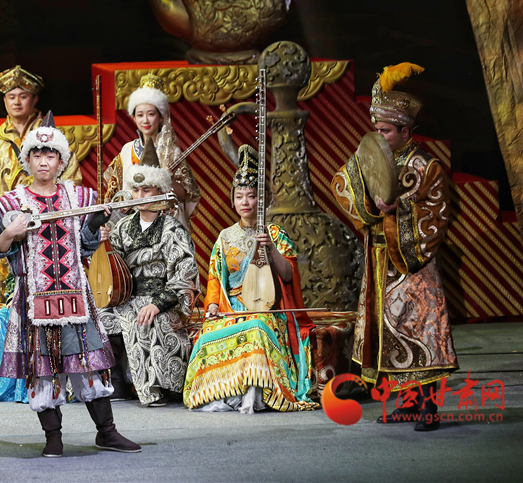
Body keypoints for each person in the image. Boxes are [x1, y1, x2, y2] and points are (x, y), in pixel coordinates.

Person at [0, 112, 140, 457]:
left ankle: (107, 432)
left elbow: (85, 247)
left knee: (89, 362)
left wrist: (94, 225)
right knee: (43, 367)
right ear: (27, 160)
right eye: (37, 154)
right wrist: (10, 233)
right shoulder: (10, 203)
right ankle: (52, 437)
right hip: (33, 300)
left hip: (76, 297)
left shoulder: (81, 198)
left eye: (51, 155)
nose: (44, 161)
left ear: (62, 161)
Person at [332, 62, 458, 431]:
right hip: (378, 259)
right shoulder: (370, 157)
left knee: (420, 331)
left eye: (386, 130)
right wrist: (372, 208)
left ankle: (429, 407)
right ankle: (407, 401)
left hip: (412, 263)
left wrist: (397, 211)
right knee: (388, 333)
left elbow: (437, 214)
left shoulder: (426, 166)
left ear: (405, 131)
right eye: (377, 129)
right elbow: (342, 183)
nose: (380, 135)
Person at [183, 145, 319, 414]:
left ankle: (256, 393)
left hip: (265, 307)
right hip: (231, 308)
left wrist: (271, 249)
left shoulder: (275, 233)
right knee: (205, 336)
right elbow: (215, 278)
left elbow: (289, 275)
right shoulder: (225, 237)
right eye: (239, 196)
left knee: (258, 326)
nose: (245, 202)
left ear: (262, 200)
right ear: (233, 200)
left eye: (252, 196)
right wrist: (213, 306)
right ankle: (220, 392)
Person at [99, 138, 199, 407]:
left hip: (163, 300)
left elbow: (185, 274)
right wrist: (103, 245)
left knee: (143, 317)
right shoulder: (122, 228)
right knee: (97, 317)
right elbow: (111, 271)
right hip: (126, 297)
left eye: (147, 189)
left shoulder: (172, 229)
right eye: (136, 190)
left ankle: (156, 388)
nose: (141, 196)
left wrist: (158, 304)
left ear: (160, 190)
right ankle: (115, 383)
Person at [0, 65, 81, 304]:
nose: (17, 102)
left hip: (44, 226)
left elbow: (71, 181)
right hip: (4, 226)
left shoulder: (51, 138)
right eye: (11, 96)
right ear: (3, 100)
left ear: (34, 99)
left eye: (23, 96)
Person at [103, 73, 200, 231]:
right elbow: (115, 189)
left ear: (161, 117)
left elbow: (186, 193)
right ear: (134, 117)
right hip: (132, 224)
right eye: (140, 115)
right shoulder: (127, 149)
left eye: (151, 114)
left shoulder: (171, 152)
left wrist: (167, 182)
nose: (145, 120)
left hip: (164, 224)